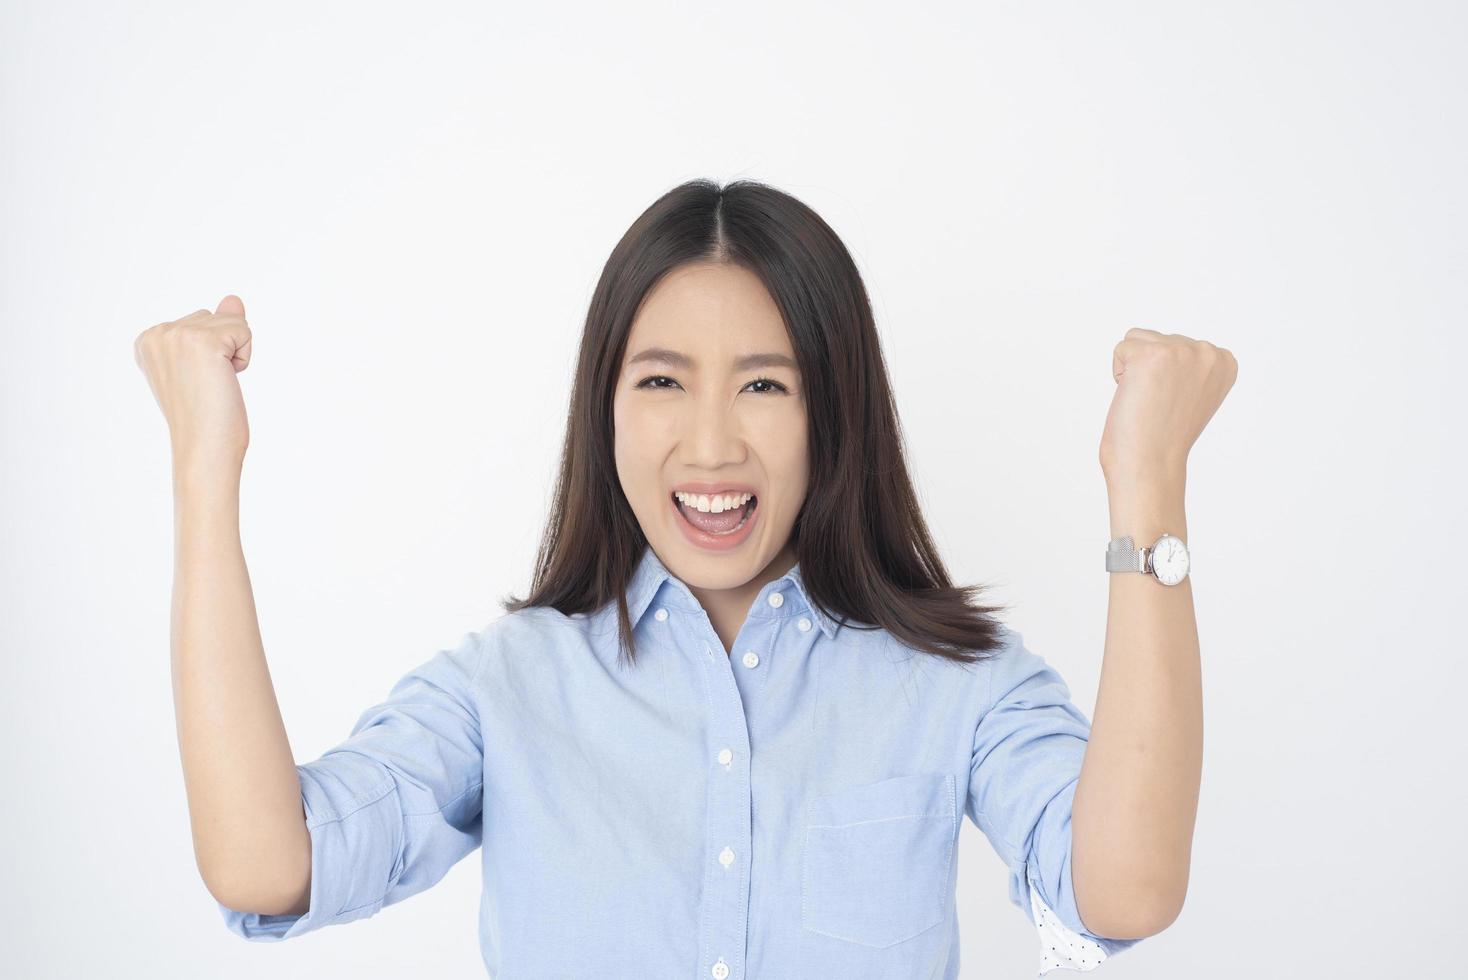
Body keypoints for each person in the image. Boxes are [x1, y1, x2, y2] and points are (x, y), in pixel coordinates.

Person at [138, 178, 1228, 977]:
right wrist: (204, 469)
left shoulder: (952, 682)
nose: (711, 445)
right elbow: (265, 863)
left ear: (833, 413)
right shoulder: (506, 688)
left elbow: (1122, 886)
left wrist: (1147, 488)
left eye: (765, 384)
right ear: (605, 405)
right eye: (662, 379)